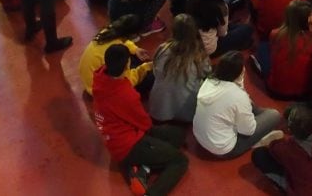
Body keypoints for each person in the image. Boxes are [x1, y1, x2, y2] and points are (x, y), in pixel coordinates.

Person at [92, 44, 189, 196]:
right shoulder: (125, 94)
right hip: (128, 145)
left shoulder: (100, 78)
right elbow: (145, 124)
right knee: (180, 160)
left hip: (119, 136)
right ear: (127, 65)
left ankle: (142, 168)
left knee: (178, 135)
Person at [193, 51, 282, 158]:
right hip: (225, 149)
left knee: (247, 105)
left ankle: (259, 118)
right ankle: (257, 139)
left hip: (201, 138)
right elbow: (248, 130)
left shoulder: (209, 81)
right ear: (239, 73)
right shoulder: (237, 95)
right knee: (274, 115)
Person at [251, 103, 312, 195]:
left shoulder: (289, 150)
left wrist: (276, 140)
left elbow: (273, 148)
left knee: (259, 155)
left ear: (289, 128)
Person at [149, 15, 212, 123]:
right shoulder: (199, 55)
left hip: (158, 110)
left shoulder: (162, 49)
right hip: (187, 114)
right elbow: (207, 72)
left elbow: (155, 71)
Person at [264, 0, 312, 99]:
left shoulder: (274, 33)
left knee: (263, 49)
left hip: (275, 92)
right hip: (303, 94)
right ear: (307, 19)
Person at [78, 15, 152, 96]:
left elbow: (123, 41)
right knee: (149, 78)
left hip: (90, 80)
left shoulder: (107, 31)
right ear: (133, 35)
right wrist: (145, 68)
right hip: (99, 90)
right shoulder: (118, 51)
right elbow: (127, 80)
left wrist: (135, 49)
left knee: (135, 60)